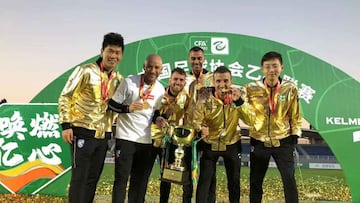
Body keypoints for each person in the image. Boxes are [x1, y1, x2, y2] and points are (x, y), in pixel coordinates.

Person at [58, 32, 124, 203]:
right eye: (110, 51)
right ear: (102, 50)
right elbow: (66, 96)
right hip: (82, 132)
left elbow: (116, 107)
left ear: (121, 55)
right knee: (79, 178)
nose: (113, 56)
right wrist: (66, 125)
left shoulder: (118, 79)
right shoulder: (85, 71)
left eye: (117, 52)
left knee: (92, 180)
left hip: (103, 137)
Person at [245, 51, 302, 203]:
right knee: (255, 182)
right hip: (258, 140)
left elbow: (295, 113)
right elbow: (243, 111)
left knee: (289, 180)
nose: (272, 70)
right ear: (262, 69)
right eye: (268, 67)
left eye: (275, 66)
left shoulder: (290, 88)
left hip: (283, 140)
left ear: (281, 67)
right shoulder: (251, 88)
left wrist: (295, 133)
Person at [108, 54, 165, 203]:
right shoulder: (129, 82)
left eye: (156, 67)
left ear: (161, 70)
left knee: (139, 182)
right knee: (121, 179)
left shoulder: (160, 88)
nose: (153, 70)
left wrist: (158, 119)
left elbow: (154, 113)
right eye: (150, 66)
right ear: (144, 67)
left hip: (145, 141)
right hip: (125, 138)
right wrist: (128, 108)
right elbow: (112, 104)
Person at [193, 66, 252, 203]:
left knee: (234, 182)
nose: (222, 85)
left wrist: (239, 102)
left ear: (231, 81)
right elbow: (196, 120)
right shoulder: (204, 97)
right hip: (209, 144)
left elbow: (250, 120)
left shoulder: (240, 95)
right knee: (204, 182)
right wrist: (200, 128)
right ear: (213, 82)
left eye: (226, 81)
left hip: (232, 144)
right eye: (218, 81)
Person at [150, 67, 192, 203]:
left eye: (181, 80)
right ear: (170, 80)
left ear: (184, 82)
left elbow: (188, 118)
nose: (178, 82)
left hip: (172, 141)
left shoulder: (186, 97)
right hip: (151, 138)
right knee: (143, 173)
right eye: (175, 79)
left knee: (168, 175)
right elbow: (149, 114)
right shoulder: (159, 94)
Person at [186, 46, 217, 202]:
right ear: (189, 60)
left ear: (204, 59)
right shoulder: (184, 79)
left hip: (207, 132)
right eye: (193, 58)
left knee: (209, 174)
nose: (196, 61)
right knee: (186, 174)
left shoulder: (212, 78)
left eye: (199, 58)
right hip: (189, 132)